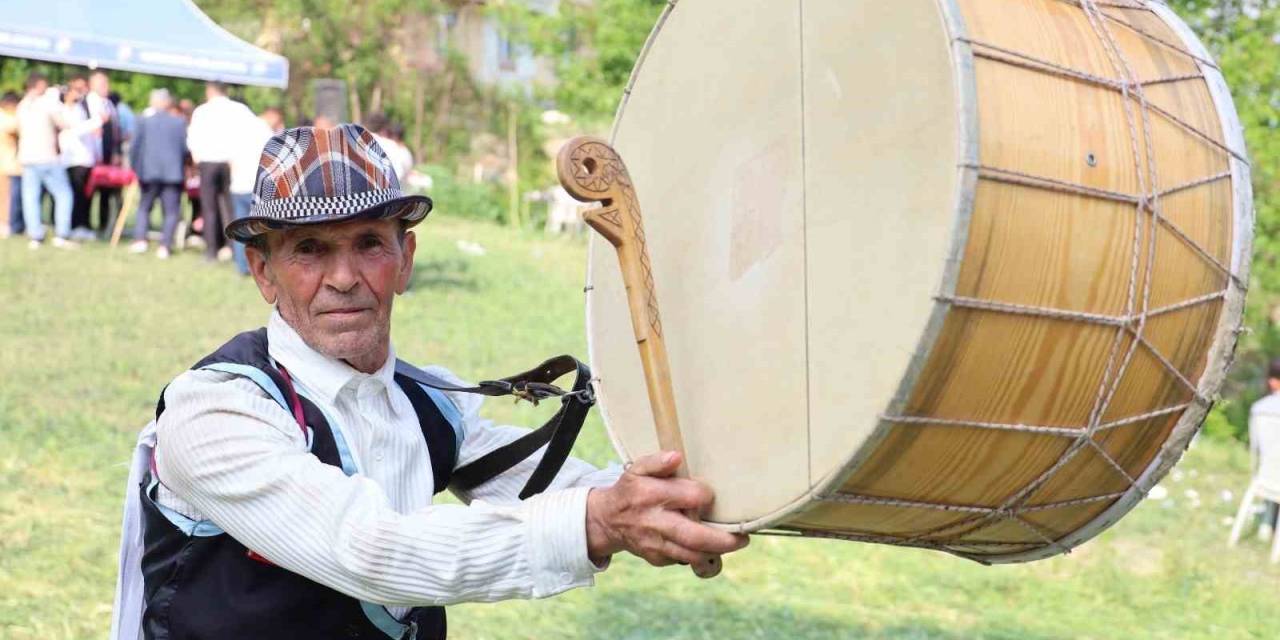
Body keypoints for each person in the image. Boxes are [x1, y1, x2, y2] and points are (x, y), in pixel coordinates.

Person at [110, 124, 746, 639]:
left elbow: (547, 485)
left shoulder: (427, 401)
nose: (342, 277)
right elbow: (367, 550)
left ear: (405, 259)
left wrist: (694, 496)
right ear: (264, 272)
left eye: (368, 243)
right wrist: (604, 521)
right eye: (308, 250)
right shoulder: (213, 412)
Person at [187, 81, 254, 263]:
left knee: (209, 208)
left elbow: (192, 138)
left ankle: (211, 250)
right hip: (230, 162)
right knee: (230, 207)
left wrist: (196, 159)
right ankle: (234, 248)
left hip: (208, 162)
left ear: (210, 91)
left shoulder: (201, 111)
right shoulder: (239, 110)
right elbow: (249, 134)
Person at [16, 72, 77, 249]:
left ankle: (35, 235)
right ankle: (62, 233)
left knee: (30, 197)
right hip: (46, 157)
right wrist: (62, 102)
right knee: (64, 195)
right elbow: (65, 123)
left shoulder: (23, 105)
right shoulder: (47, 103)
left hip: (27, 157)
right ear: (40, 85)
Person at [128, 89, 187, 259]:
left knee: (144, 207)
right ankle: (165, 246)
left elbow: (134, 148)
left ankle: (140, 240)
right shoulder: (178, 122)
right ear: (167, 103)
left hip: (148, 172)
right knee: (170, 211)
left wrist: (135, 168)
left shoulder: (143, 121)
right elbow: (184, 149)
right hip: (172, 172)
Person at [225, 105, 276, 274]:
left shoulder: (237, 130)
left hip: (238, 185)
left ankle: (242, 266)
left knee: (240, 229)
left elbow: (229, 159)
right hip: (257, 186)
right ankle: (262, 267)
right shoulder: (265, 131)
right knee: (261, 230)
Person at [60, 75, 103, 241]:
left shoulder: (80, 108)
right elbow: (75, 130)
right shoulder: (64, 111)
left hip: (85, 159)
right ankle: (75, 225)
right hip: (72, 159)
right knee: (76, 194)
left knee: (84, 196)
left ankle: (82, 225)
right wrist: (97, 122)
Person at [88, 69, 123, 235]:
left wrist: (117, 152)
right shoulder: (87, 103)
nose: (106, 87)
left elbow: (115, 131)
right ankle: (84, 224)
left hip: (107, 156)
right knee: (87, 193)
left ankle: (103, 225)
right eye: (102, 84)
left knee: (106, 194)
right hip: (90, 155)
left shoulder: (109, 105)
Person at [1249, 358, 1280, 540]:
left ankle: (1266, 525)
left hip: (1265, 476)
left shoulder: (1259, 408)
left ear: (1272, 381)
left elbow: (1258, 448)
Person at [0, 91, 22, 238]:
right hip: (7, 164)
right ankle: (5, 223)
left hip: (11, 164)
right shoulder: (7, 118)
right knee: (6, 197)